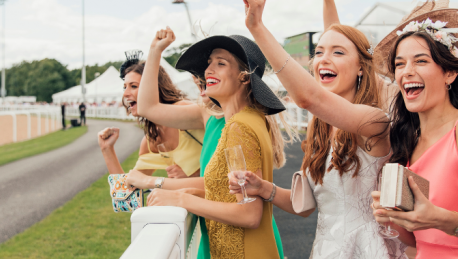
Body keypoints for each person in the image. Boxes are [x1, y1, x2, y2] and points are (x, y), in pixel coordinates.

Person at [231, 0, 408, 258]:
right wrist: (263, 188)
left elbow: (309, 98)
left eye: (338, 53)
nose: (324, 59)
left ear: (361, 67)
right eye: (319, 52)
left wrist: (257, 27)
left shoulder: (375, 121)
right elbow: (306, 206)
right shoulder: (320, 127)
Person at [125, 27, 297, 259]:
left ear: (244, 77)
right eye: (209, 63)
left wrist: (179, 196)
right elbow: (225, 191)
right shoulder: (245, 119)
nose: (207, 70)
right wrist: (189, 190)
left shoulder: (239, 127)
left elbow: (249, 214)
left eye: (221, 63)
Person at [358, 1, 458, 258]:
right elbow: (416, 238)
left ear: (449, 72)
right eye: (400, 64)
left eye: (421, 60)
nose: (407, 72)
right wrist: (392, 217)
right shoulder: (409, 138)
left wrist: (440, 218)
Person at [97, 50, 205, 180]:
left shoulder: (185, 110)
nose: (125, 93)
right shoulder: (152, 139)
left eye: (134, 86)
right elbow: (128, 189)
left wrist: (197, 173)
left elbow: (228, 150)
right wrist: (107, 149)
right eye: (124, 87)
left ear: (153, 88)